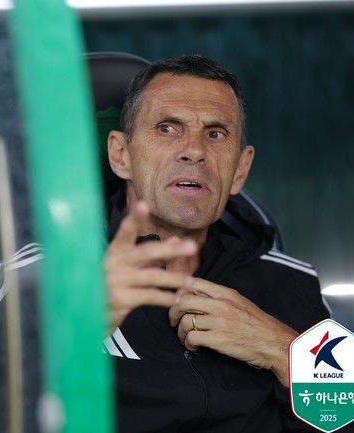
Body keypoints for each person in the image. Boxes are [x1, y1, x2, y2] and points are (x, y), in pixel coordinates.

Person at [102, 54, 340, 432]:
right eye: (167, 128)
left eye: (215, 134)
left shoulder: (293, 284)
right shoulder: (42, 276)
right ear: (121, 155)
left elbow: (349, 416)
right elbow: (1, 403)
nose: (194, 150)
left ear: (240, 170)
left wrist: (283, 350)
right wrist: (83, 322)